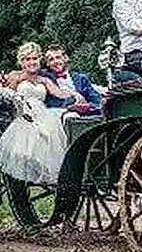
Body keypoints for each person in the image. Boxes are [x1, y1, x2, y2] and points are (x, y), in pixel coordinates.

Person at [0, 42, 82, 185]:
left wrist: (75, 95)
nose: (31, 62)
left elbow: (59, 92)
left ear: (39, 60)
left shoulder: (43, 79)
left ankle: (54, 174)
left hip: (44, 115)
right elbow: (7, 94)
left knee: (53, 133)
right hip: (24, 115)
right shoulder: (15, 76)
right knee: (30, 138)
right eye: (27, 59)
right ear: (21, 62)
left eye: (34, 58)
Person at [42, 44, 102, 115]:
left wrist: (88, 106)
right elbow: (49, 104)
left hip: (86, 118)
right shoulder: (46, 80)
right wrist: (69, 107)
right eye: (51, 59)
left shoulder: (81, 79)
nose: (55, 62)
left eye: (58, 57)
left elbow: (97, 102)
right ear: (47, 63)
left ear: (65, 58)